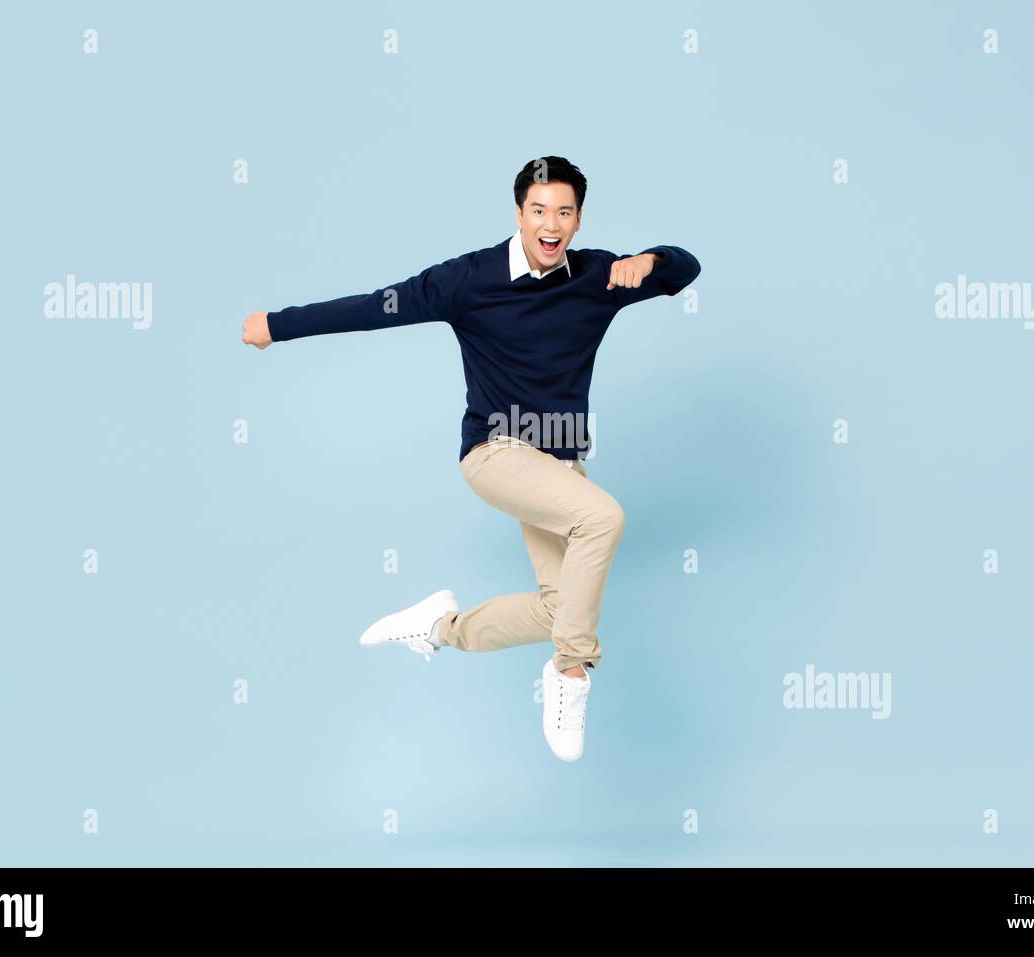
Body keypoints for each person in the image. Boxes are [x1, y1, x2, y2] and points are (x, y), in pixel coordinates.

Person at [242, 156, 701, 761]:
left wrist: (654, 259)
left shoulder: (597, 275)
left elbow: (684, 270)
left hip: (558, 465)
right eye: (539, 210)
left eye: (564, 212)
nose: (551, 223)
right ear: (519, 214)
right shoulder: (469, 279)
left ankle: (439, 628)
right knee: (603, 520)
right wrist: (278, 324)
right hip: (497, 450)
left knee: (561, 607)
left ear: (578, 219)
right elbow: (378, 306)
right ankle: (568, 676)